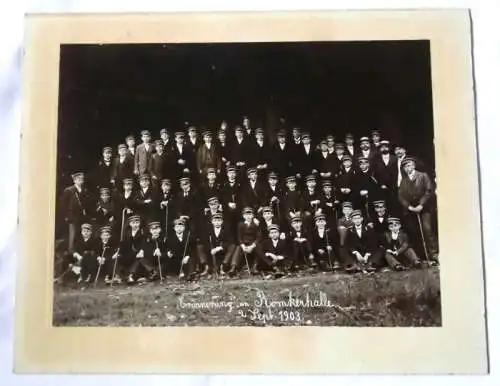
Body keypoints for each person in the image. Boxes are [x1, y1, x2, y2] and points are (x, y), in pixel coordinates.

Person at [398, 157, 439, 263]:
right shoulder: (404, 180)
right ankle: (421, 255)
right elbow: (401, 196)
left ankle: (434, 254)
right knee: (414, 232)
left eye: (409, 165)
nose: (407, 168)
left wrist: (421, 204)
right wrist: (409, 207)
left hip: (424, 208)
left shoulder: (423, 176)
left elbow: (429, 190)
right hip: (411, 210)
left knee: (427, 229)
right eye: (405, 167)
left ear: (414, 166)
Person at [60, 171, 94, 253]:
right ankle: (71, 251)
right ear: (74, 180)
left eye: (82, 179)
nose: (81, 181)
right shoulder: (69, 190)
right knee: (73, 234)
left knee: (80, 234)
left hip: (82, 216)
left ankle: (79, 251)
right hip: (72, 216)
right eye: (79, 179)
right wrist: (66, 216)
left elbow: (86, 203)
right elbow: (63, 204)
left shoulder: (84, 190)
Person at [229, 207, 264, 276]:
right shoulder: (240, 224)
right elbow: (239, 237)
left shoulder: (256, 225)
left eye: (250, 214)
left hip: (252, 243)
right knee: (238, 248)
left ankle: (255, 267)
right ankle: (233, 267)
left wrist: (252, 246)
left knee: (258, 247)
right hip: (244, 243)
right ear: (243, 216)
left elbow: (259, 237)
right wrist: (243, 245)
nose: (248, 216)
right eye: (246, 214)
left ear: (253, 216)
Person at [372, 140, 399, 210]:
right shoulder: (376, 159)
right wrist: (381, 184)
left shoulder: (395, 158)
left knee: (393, 205)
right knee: (382, 206)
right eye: (382, 147)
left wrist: (394, 185)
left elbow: (398, 173)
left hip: (393, 187)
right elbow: (373, 174)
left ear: (389, 148)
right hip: (380, 188)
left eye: (386, 147)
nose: (384, 148)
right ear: (380, 149)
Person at [120, 215, 146, 284]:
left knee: (139, 259)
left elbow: (144, 243)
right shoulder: (126, 232)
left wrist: (141, 251)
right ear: (130, 224)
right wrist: (118, 251)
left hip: (140, 252)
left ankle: (131, 276)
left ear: (140, 223)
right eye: (133, 223)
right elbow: (123, 244)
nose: (135, 225)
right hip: (129, 253)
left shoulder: (143, 231)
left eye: (137, 223)